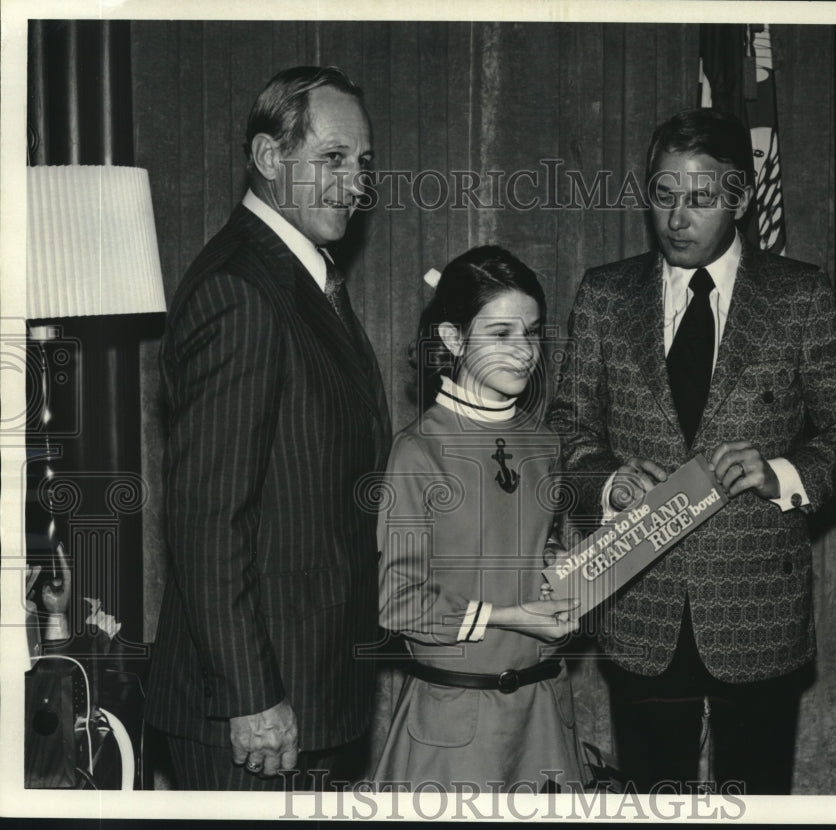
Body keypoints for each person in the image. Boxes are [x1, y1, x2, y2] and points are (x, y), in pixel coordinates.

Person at [546, 108, 836, 794]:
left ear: (739, 197)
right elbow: (564, 429)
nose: (677, 217)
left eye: (700, 199)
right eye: (663, 194)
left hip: (756, 615)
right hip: (639, 610)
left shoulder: (799, 297)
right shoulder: (606, 296)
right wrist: (609, 483)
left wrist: (785, 472)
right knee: (651, 801)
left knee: (756, 802)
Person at [145, 66, 391, 790]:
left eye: (364, 163)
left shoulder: (297, 279)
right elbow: (205, 518)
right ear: (268, 158)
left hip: (310, 694)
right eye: (333, 159)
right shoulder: (241, 291)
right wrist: (254, 697)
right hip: (251, 714)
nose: (355, 183)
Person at [373, 246, 586, 793]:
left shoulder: (544, 443)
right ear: (453, 339)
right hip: (452, 729)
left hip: (544, 724)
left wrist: (565, 573)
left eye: (532, 333)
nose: (523, 353)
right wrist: (514, 615)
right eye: (500, 335)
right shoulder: (419, 451)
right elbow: (399, 603)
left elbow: (548, 552)